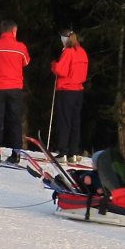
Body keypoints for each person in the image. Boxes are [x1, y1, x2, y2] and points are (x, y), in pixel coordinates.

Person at [0, 20, 30, 164]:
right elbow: (26, 62)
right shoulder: (20, 47)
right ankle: (16, 153)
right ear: (14, 31)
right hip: (14, 88)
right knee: (15, 120)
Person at [51, 29, 89, 162]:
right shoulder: (82, 52)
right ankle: (74, 152)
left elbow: (61, 70)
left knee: (65, 121)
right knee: (75, 122)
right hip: (78, 90)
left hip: (67, 89)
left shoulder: (68, 51)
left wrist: (54, 65)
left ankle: (63, 151)